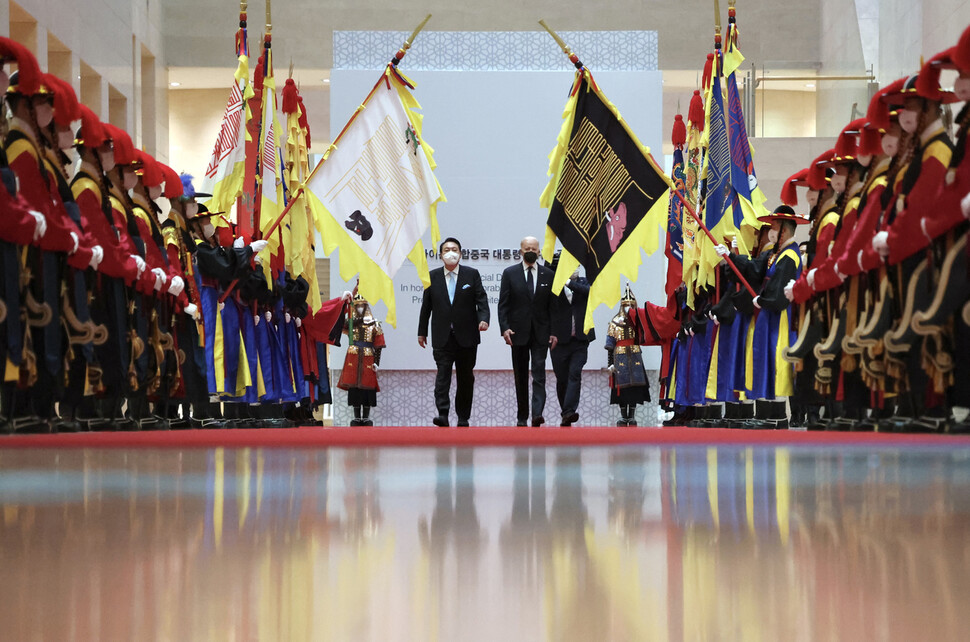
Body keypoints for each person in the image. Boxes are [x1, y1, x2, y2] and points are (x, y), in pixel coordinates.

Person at [418, 237, 490, 427]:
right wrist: (422, 331)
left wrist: (484, 319)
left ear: (460, 253)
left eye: (455, 249)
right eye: (447, 249)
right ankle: (443, 414)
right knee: (443, 375)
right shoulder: (431, 276)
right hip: (442, 336)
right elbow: (426, 307)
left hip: (467, 336)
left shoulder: (471, 274)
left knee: (466, 377)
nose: (451, 252)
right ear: (441, 255)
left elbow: (481, 300)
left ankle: (463, 417)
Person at [498, 236, 555, 427]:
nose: (530, 250)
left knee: (539, 374)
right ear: (521, 251)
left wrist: (553, 331)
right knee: (520, 376)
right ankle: (522, 416)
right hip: (517, 333)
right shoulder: (510, 273)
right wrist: (504, 328)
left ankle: (537, 414)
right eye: (527, 248)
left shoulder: (548, 274)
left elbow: (553, 307)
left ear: (539, 251)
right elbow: (503, 305)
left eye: (534, 248)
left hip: (541, 332)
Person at [548, 251, 593, 426]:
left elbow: (588, 292)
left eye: (576, 266)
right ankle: (566, 412)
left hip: (580, 340)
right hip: (559, 340)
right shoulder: (553, 285)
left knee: (575, 374)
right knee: (562, 378)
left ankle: (569, 411)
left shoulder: (583, 282)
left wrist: (568, 281)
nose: (574, 269)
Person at [338, 294, 385, 426]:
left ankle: (366, 417)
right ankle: (356, 417)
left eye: (362, 306)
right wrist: (345, 304)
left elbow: (379, 344)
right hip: (353, 357)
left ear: (366, 307)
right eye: (357, 306)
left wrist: (377, 362)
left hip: (368, 357)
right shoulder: (351, 323)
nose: (359, 308)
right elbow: (339, 324)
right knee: (354, 387)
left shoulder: (374, 323)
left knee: (368, 387)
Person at [605, 286, 649, 426]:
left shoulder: (638, 320)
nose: (628, 306)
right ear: (621, 305)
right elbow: (610, 344)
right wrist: (610, 363)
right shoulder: (615, 321)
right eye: (626, 304)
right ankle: (624, 416)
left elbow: (644, 336)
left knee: (635, 388)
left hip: (635, 356)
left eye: (631, 304)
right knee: (621, 389)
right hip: (620, 357)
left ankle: (632, 416)